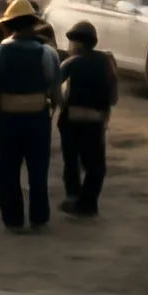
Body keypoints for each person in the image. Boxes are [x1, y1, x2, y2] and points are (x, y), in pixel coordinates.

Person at [0, 0, 63, 233]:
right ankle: (39, 219)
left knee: (8, 172)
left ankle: (13, 220)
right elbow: (56, 92)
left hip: (8, 119)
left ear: (9, 26)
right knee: (38, 171)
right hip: (37, 118)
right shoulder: (47, 53)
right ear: (33, 24)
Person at [58, 20, 118, 217]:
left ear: (77, 44)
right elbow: (114, 97)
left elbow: (53, 86)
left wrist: (60, 104)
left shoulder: (69, 63)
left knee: (71, 162)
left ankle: (73, 197)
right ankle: (89, 204)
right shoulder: (106, 62)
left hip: (71, 121)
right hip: (95, 122)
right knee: (96, 167)